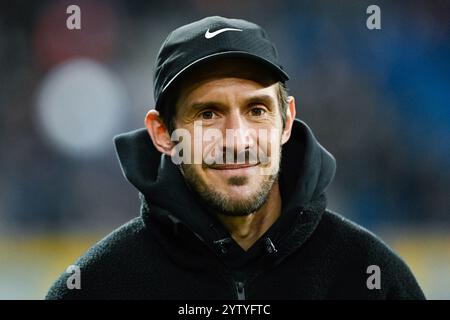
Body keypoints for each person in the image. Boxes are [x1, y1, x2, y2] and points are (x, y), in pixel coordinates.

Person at [46, 16, 425, 300]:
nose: (237, 139)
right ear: (163, 133)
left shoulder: (371, 278)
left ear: (286, 121)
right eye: (208, 114)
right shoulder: (95, 287)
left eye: (257, 110)